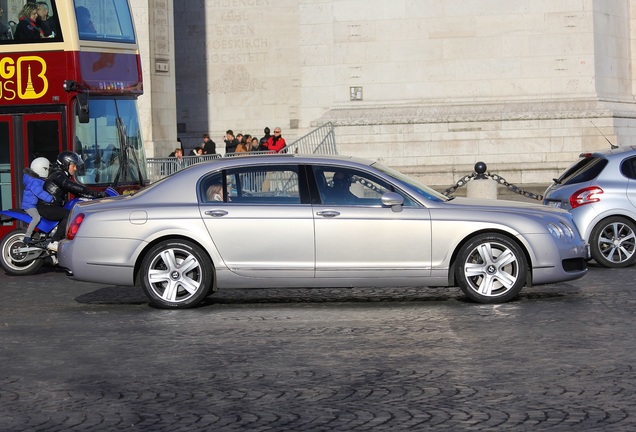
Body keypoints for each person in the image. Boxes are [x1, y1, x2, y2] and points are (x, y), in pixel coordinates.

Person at [37, 151, 106, 251]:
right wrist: (95, 193)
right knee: (69, 215)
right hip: (46, 207)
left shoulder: (61, 175)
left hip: (52, 206)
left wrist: (94, 196)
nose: (75, 168)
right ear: (65, 165)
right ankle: (55, 241)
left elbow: (76, 191)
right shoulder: (58, 175)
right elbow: (71, 186)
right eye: (73, 166)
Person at [22, 157, 54, 244]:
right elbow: (39, 192)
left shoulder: (35, 180)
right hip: (29, 205)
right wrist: (50, 199)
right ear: (42, 169)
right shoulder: (34, 182)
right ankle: (27, 236)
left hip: (32, 204)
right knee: (37, 217)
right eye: (47, 169)